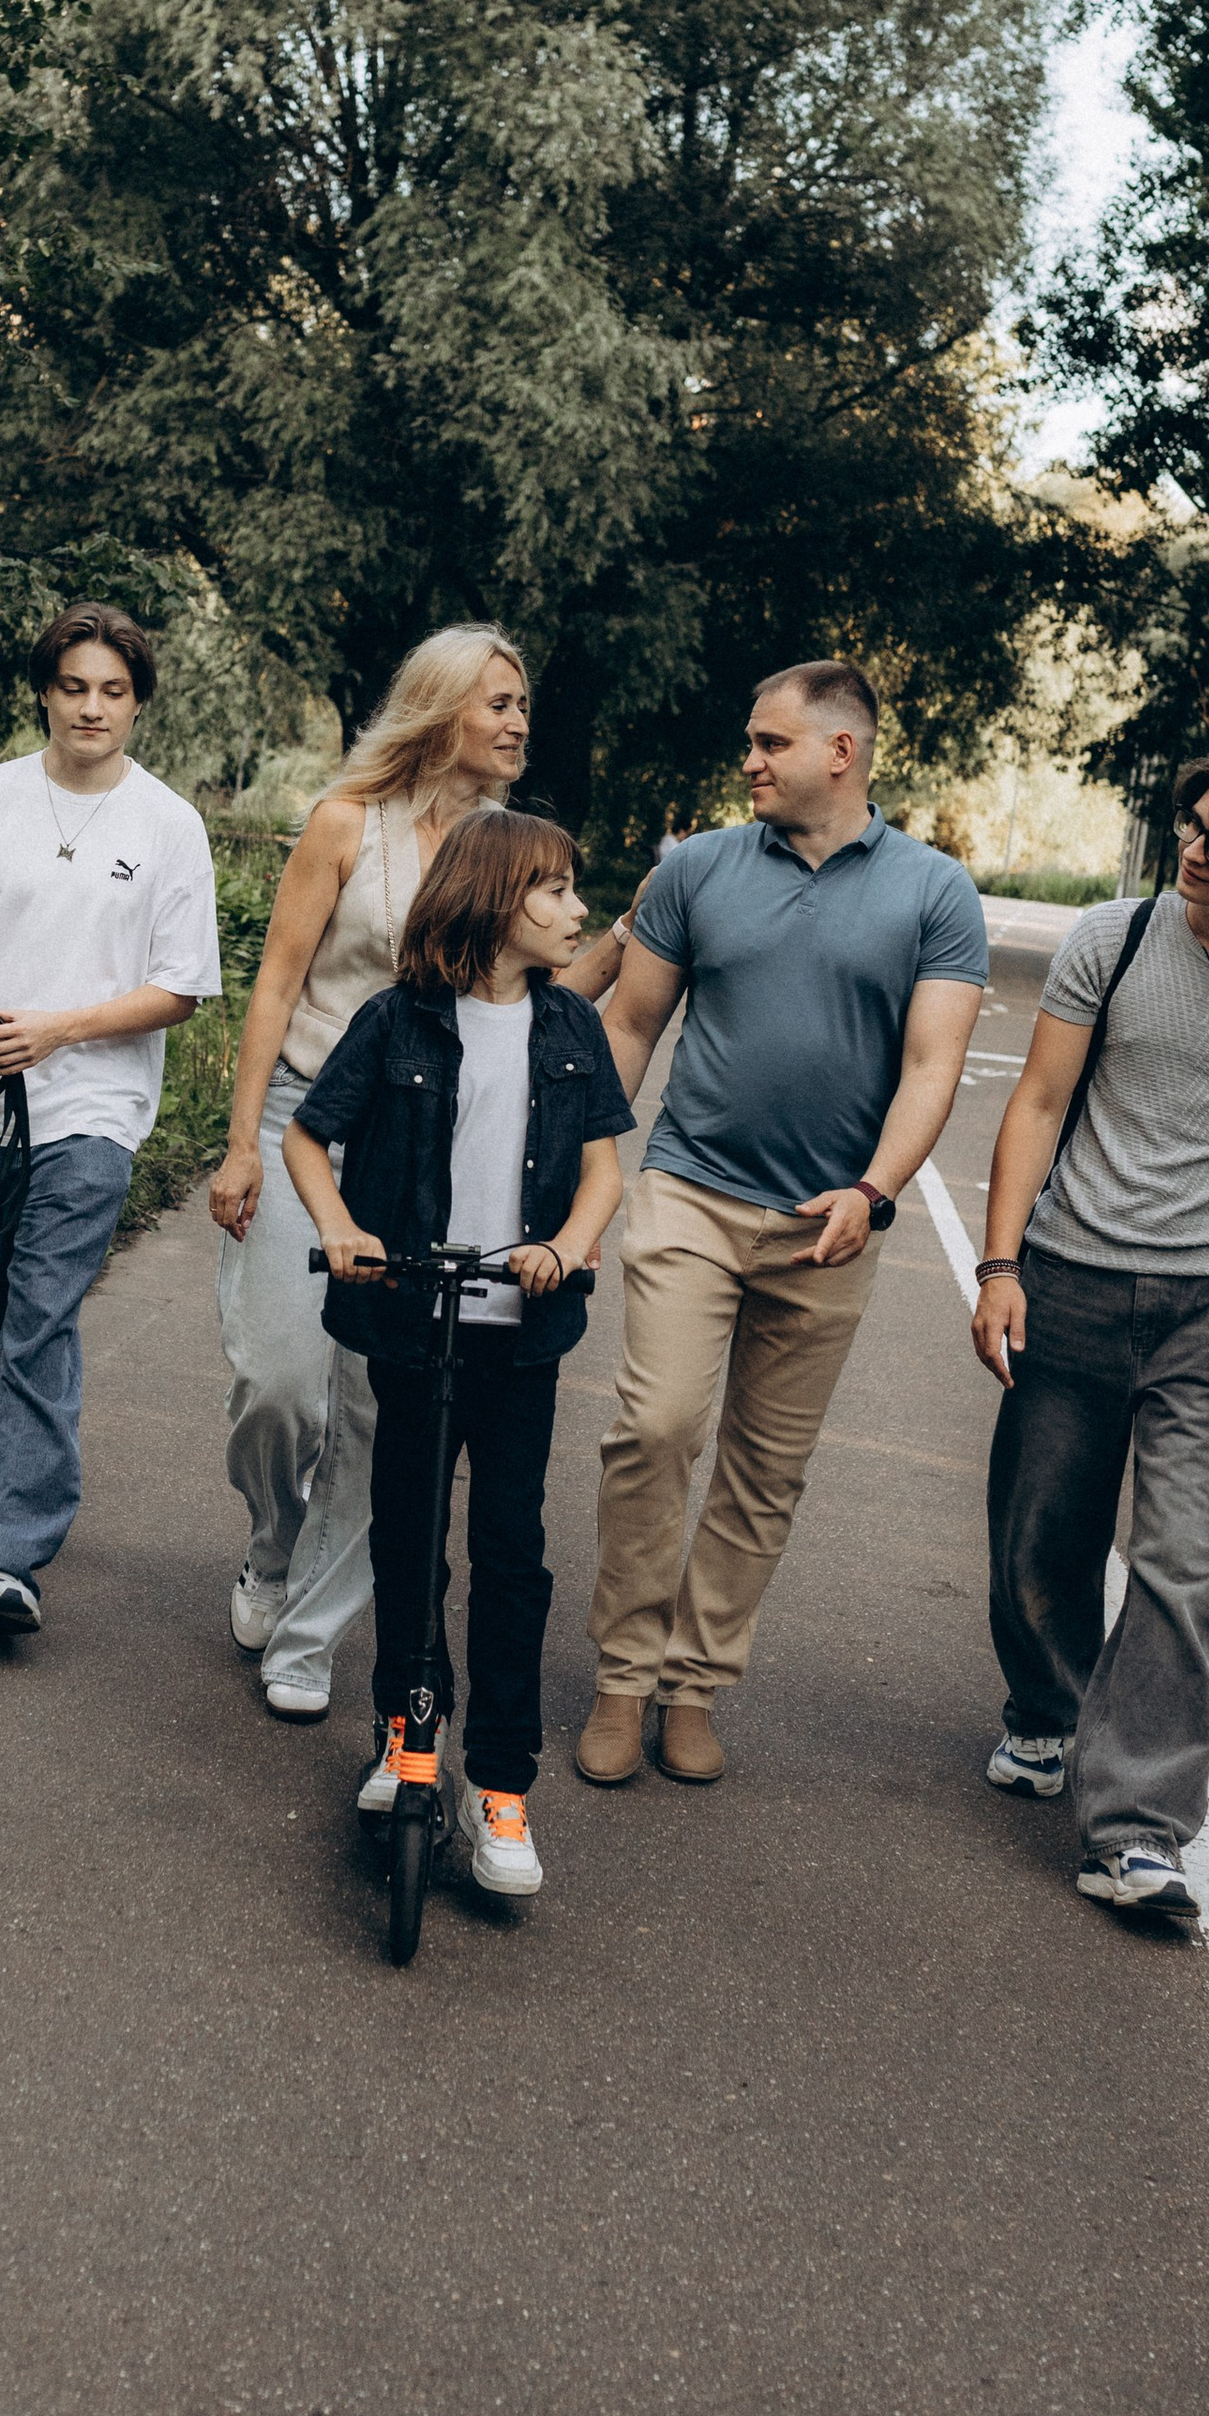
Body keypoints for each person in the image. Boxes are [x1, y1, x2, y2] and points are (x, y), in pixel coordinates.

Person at [579, 659, 988, 1788]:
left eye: (769, 744)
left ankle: (693, 1682)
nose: (748, 761)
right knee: (657, 1427)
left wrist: (872, 1192)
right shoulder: (698, 866)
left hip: (828, 1225)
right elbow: (631, 1021)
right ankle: (621, 1675)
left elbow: (932, 1063)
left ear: (839, 753)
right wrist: (594, 1171)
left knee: (767, 1467)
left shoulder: (933, 892)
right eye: (751, 744)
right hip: (692, 1191)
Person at [973, 746, 1209, 1926]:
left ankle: (1133, 1829)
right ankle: (1046, 1709)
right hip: (1072, 1276)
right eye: (1190, 825)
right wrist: (997, 1265)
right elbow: (1037, 1103)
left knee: (1182, 1558)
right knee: (1042, 1526)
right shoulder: (1114, 939)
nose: (1191, 848)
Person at [284, 811, 632, 1896]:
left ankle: (500, 1787)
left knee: (512, 1558)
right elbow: (306, 1134)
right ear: (494, 899)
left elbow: (603, 1174)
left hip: (519, 1342)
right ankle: (404, 1734)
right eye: (558, 890)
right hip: (412, 1326)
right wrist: (340, 1229)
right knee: (409, 1541)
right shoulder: (396, 1023)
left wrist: (566, 1251)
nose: (579, 910)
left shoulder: (571, 1026)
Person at [207, 626, 533, 1721]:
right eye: (496, 701)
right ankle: (268, 1546)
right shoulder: (345, 824)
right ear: (440, 709)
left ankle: (305, 1637)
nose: (516, 719)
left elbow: (537, 991)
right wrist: (238, 1138)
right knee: (280, 1385)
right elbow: (275, 986)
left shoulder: (508, 849)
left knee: (376, 1414)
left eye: (521, 701)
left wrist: (640, 931)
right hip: (303, 1121)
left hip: (420, 1149)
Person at [0, 602, 222, 1637]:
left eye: (113, 691)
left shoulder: (168, 825)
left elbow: (180, 987)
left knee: (38, 1321)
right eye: (74, 686)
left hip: (95, 1112)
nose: (92, 707)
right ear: (45, 690)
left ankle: (4, 1557)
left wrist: (62, 1030)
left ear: (138, 703)